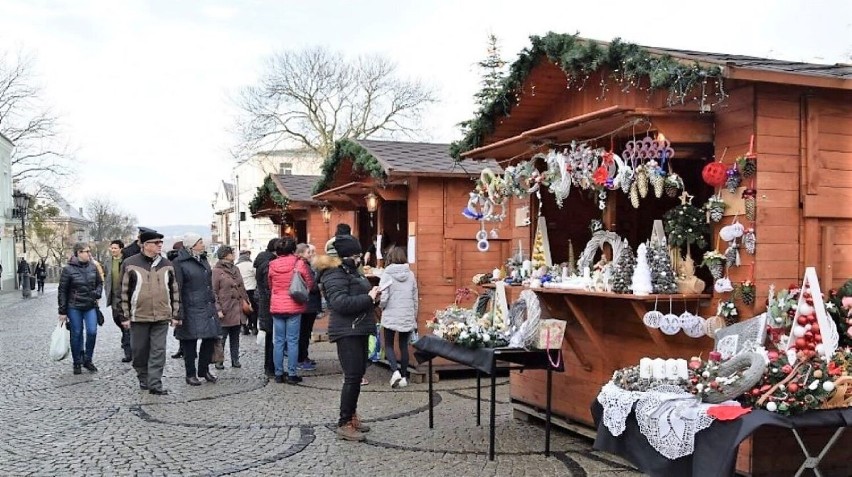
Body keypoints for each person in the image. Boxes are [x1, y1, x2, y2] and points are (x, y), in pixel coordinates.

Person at [316, 234, 379, 441]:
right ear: (347, 255)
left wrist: (374, 299)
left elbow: (358, 297)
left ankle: (352, 415)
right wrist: (368, 298)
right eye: (357, 255)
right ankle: (344, 422)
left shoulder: (351, 271)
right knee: (352, 376)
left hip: (359, 327)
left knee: (358, 373)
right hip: (347, 330)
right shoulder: (334, 274)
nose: (360, 258)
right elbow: (340, 303)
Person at [114, 230, 181, 395]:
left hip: (161, 316)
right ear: (145, 245)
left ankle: (155, 384)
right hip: (138, 316)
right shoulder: (130, 263)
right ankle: (142, 376)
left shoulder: (167, 264)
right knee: (139, 351)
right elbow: (122, 292)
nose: (160, 245)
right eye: (156, 242)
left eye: (161, 243)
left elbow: (174, 290)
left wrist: (176, 314)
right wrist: (124, 316)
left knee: (158, 350)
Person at [173, 233, 221, 386]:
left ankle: (204, 370)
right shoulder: (179, 263)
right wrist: (178, 311)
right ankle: (190, 373)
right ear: (191, 245)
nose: (203, 244)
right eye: (200, 242)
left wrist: (214, 302)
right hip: (190, 307)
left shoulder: (204, 259)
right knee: (189, 342)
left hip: (206, 306)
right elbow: (177, 288)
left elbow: (208, 284)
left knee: (209, 338)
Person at [268, 237, 314, 384]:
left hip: (277, 306)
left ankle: (278, 374)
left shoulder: (272, 264)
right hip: (294, 305)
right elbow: (309, 282)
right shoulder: (298, 263)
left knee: (279, 341)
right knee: (293, 341)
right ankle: (292, 374)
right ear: (293, 249)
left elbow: (270, 284)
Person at [58, 243, 104, 375]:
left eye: (89, 251)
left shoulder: (93, 267)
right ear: (78, 253)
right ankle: (77, 361)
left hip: (90, 305)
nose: (89, 254)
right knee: (76, 333)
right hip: (74, 306)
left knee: (92, 332)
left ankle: (88, 359)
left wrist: (97, 293)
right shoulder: (68, 269)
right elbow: (62, 290)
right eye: (86, 251)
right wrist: (62, 311)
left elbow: (99, 283)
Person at [378, 246, 418, 388]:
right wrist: (414, 315)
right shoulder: (411, 274)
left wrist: (381, 306)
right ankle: (404, 377)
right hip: (407, 314)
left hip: (390, 314)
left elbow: (384, 296)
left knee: (388, 344)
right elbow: (415, 297)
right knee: (403, 346)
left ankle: (395, 372)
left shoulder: (387, 274)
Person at [212, 245, 250, 370]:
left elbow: (242, 287)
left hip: (237, 308)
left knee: (236, 336)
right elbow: (213, 291)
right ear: (225, 255)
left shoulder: (236, 269)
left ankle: (235, 359)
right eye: (231, 253)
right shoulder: (216, 271)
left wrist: (247, 302)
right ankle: (219, 361)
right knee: (222, 337)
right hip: (225, 308)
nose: (233, 255)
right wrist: (218, 309)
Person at [104, 239, 132, 362]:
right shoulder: (108, 262)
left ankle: (128, 350)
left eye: (115, 248)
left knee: (125, 320)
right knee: (116, 318)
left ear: (121, 249)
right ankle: (125, 335)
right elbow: (105, 276)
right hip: (114, 295)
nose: (113, 250)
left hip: (125, 295)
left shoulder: (126, 261)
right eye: (112, 248)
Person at [254, 238, 278, 378]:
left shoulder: (262, 261)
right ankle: (270, 367)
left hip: (266, 303)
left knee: (271, 336)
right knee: (272, 337)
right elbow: (269, 287)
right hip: (269, 304)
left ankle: (269, 366)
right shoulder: (268, 264)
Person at [295, 243, 321, 371]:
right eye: (308, 252)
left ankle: (303, 357)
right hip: (307, 304)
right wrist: (319, 285)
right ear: (301, 254)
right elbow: (311, 285)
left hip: (307, 304)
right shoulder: (303, 265)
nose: (311, 254)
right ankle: (301, 358)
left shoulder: (304, 264)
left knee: (304, 333)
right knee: (304, 333)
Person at [236, 250, 258, 335]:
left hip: (240, 291)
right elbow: (256, 275)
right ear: (247, 255)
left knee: (242, 310)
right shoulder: (251, 265)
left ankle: (244, 327)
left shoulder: (237, 266)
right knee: (253, 309)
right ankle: (254, 327)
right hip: (252, 289)